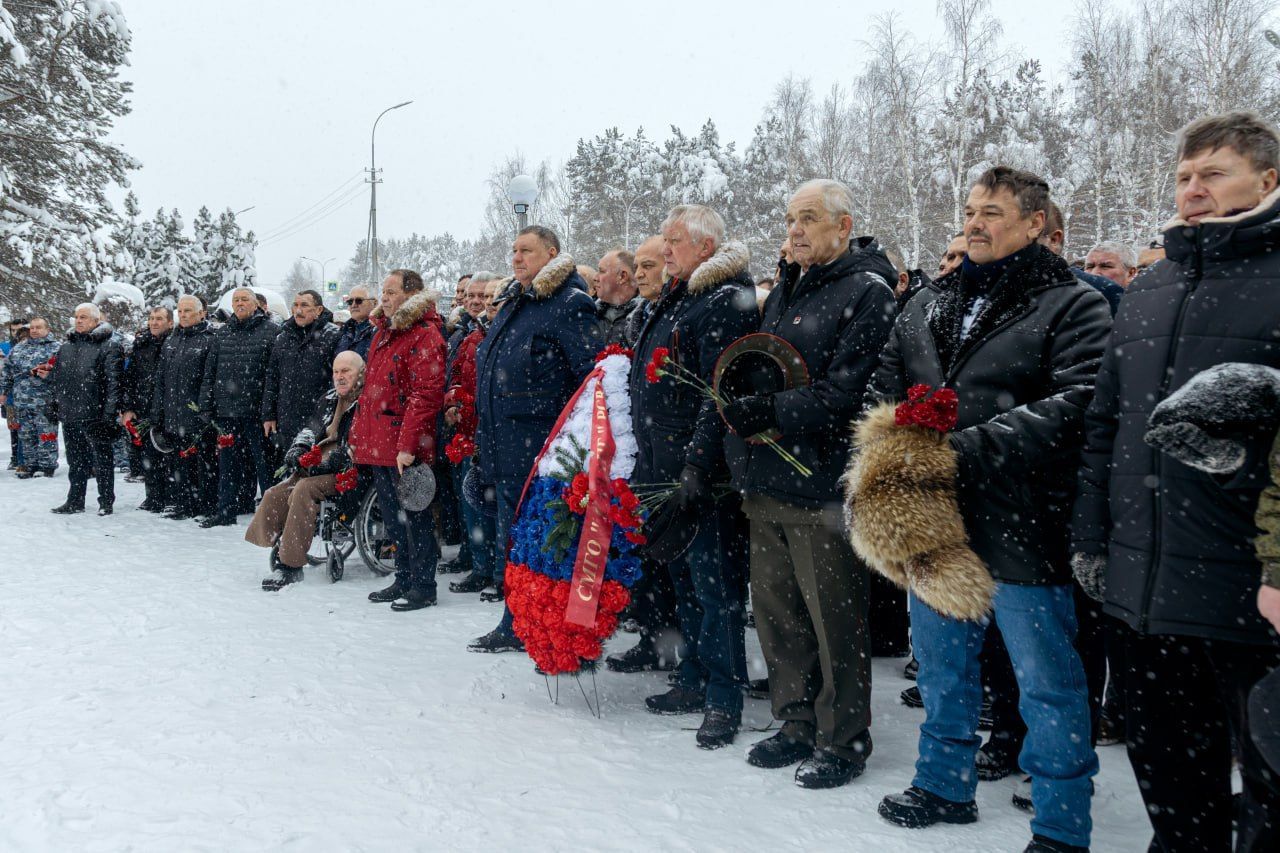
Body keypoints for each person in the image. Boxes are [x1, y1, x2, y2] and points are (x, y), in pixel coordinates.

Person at [867, 166, 1108, 853]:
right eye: (971, 209)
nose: (974, 222)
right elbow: (882, 388)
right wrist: (894, 441)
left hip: (1024, 520)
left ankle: (1061, 824)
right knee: (943, 668)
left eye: (993, 212)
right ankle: (944, 784)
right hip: (935, 521)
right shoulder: (926, 303)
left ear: (1035, 223)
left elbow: (1077, 404)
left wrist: (964, 448)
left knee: (1048, 684)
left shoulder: (1072, 304)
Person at [1072, 110, 1280, 852]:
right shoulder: (1152, 286)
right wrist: (1091, 540)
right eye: (1185, 175)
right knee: (1170, 785)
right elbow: (1105, 427)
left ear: (1268, 179)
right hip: (1143, 588)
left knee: (1268, 789)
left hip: (1251, 593)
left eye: (1213, 173)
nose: (1193, 189)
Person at [724, 179, 896, 785]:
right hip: (767, 479)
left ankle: (843, 738)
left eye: (809, 219)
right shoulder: (785, 291)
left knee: (834, 621)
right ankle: (793, 721)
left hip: (822, 485)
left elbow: (848, 393)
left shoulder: (866, 293)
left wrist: (770, 412)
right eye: (790, 218)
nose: (794, 230)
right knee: (778, 614)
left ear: (843, 226)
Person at [629, 204, 759, 749]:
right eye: (664, 239)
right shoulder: (682, 297)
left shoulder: (724, 301)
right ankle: (694, 674)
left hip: (700, 473)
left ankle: (724, 697)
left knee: (716, 586)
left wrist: (697, 465)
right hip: (663, 464)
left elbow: (718, 391)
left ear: (706, 248)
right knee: (684, 579)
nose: (664, 250)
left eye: (674, 240)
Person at [468, 226, 601, 652]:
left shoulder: (568, 304)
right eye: (513, 250)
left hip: (540, 452)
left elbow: (588, 379)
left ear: (552, 253)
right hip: (503, 448)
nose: (516, 257)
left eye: (526, 250)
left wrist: (573, 449)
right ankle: (518, 621)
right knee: (514, 542)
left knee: (540, 545)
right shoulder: (514, 304)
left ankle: (542, 627)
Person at [350, 269, 447, 611]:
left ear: (411, 294)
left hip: (406, 449)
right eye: (383, 292)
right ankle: (403, 577)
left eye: (390, 292)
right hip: (380, 444)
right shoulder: (384, 332)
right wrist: (359, 435)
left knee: (416, 518)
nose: (384, 298)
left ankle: (423, 585)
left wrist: (408, 446)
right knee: (394, 518)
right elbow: (372, 391)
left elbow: (426, 394)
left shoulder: (424, 335)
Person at [608, 233, 682, 673]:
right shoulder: (645, 312)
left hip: (670, 455)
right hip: (643, 451)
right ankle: (654, 640)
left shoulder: (672, 312)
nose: (640, 275)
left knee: (673, 566)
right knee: (648, 557)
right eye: (637, 267)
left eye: (649, 266)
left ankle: (677, 649)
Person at [248, 351, 365, 590]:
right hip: (318, 465)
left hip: (348, 470)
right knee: (275, 493)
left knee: (303, 489)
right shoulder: (330, 398)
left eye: (346, 372)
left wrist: (334, 460)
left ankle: (290, 565)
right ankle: (278, 542)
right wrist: (299, 447)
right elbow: (311, 428)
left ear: (361, 373)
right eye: (336, 372)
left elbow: (361, 444)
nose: (340, 377)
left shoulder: (366, 401)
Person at [200, 288, 280, 527]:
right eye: (236, 300)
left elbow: (273, 377)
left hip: (257, 412)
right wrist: (206, 405)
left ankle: (270, 516)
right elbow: (210, 373)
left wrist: (270, 410)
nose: (240, 303)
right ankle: (225, 511)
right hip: (227, 412)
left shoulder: (271, 332)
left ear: (256, 304)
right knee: (228, 464)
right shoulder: (222, 334)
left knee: (264, 466)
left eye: (245, 299)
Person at [445, 273, 503, 592]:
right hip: (467, 434)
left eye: (486, 296)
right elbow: (456, 377)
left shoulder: (496, 332)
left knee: (488, 508)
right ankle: (479, 563)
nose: (480, 302)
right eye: (474, 296)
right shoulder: (469, 336)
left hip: (491, 435)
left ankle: (493, 570)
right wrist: (453, 402)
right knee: (471, 505)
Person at [46, 303, 123, 515]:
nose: (79, 320)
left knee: (102, 461)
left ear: (96, 321)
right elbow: (56, 379)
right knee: (76, 461)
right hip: (70, 413)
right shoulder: (66, 347)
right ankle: (75, 500)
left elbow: (114, 383)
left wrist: (108, 415)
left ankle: (106, 501)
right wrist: (53, 403)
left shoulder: (109, 346)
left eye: (84, 317)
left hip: (95, 414)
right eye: (77, 316)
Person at [149, 295, 217, 521]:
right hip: (173, 412)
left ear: (201, 314)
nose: (183, 315)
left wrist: (203, 409)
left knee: (204, 462)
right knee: (178, 461)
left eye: (188, 311)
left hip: (196, 413)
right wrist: (158, 410)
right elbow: (161, 378)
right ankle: (184, 502)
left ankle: (206, 504)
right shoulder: (172, 339)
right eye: (180, 311)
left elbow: (209, 379)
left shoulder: (209, 339)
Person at [262, 289, 340, 454]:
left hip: (318, 419)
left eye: (304, 305)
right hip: (287, 417)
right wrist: (268, 414)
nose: (298, 310)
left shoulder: (333, 335)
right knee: (287, 471)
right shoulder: (283, 337)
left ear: (318, 310)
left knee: (312, 472)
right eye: (295, 305)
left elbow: (338, 381)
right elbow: (272, 377)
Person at [122, 307, 172, 511]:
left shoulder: (174, 343)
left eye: (159, 319)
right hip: (143, 406)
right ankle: (153, 496)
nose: (154, 322)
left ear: (170, 323)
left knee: (169, 454)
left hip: (168, 408)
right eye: (151, 318)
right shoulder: (141, 345)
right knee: (148, 456)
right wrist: (128, 407)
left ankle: (172, 496)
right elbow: (130, 378)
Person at [1, 316, 60, 478]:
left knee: (46, 434)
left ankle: (47, 465)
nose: (34, 330)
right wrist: (4, 392)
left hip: (46, 401)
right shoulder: (19, 348)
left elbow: (65, 375)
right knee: (26, 435)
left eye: (38, 327)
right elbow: (7, 371)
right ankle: (30, 464)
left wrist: (49, 375)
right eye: (32, 327)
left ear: (47, 330)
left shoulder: (57, 348)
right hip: (22, 401)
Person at [622, 235, 666, 347]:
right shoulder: (635, 317)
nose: (637, 275)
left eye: (647, 266)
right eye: (636, 267)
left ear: (670, 266)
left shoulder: (681, 316)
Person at [595, 249, 641, 345]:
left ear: (622, 276)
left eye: (602, 271)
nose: (595, 278)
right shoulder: (590, 313)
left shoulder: (645, 316)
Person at [335, 286, 375, 358]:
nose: (353, 305)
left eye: (359, 300)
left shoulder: (379, 330)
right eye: (350, 302)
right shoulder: (344, 330)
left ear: (374, 303)